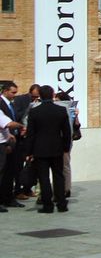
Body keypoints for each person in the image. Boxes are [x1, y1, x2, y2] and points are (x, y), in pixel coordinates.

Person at [25, 85, 72, 213]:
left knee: (44, 177)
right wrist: (66, 147)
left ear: (39, 95)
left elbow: (31, 134)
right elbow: (66, 132)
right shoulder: (61, 110)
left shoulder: (34, 112)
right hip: (57, 148)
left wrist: (28, 152)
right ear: (52, 95)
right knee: (58, 176)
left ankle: (48, 205)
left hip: (40, 149)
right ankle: (62, 204)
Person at [10, 83, 39, 202]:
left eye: (37, 97)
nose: (35, 99)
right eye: (33, 97)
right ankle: (17, 190)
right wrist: (29, 108)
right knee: (18, 165)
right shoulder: (20, 100)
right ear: (29, 93)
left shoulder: (40, 101)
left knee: (32, 165)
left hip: (33, 138)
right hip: (21, 138)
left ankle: (27, 188)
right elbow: (16, 116)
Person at [0, 89, 25, 213]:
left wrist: (8, 135)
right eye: (13, 92)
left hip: (6, 142)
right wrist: (22, 126)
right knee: (2, 172)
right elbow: (8, 123)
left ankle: (8, 198)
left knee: (9, 171)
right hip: (1, 145)